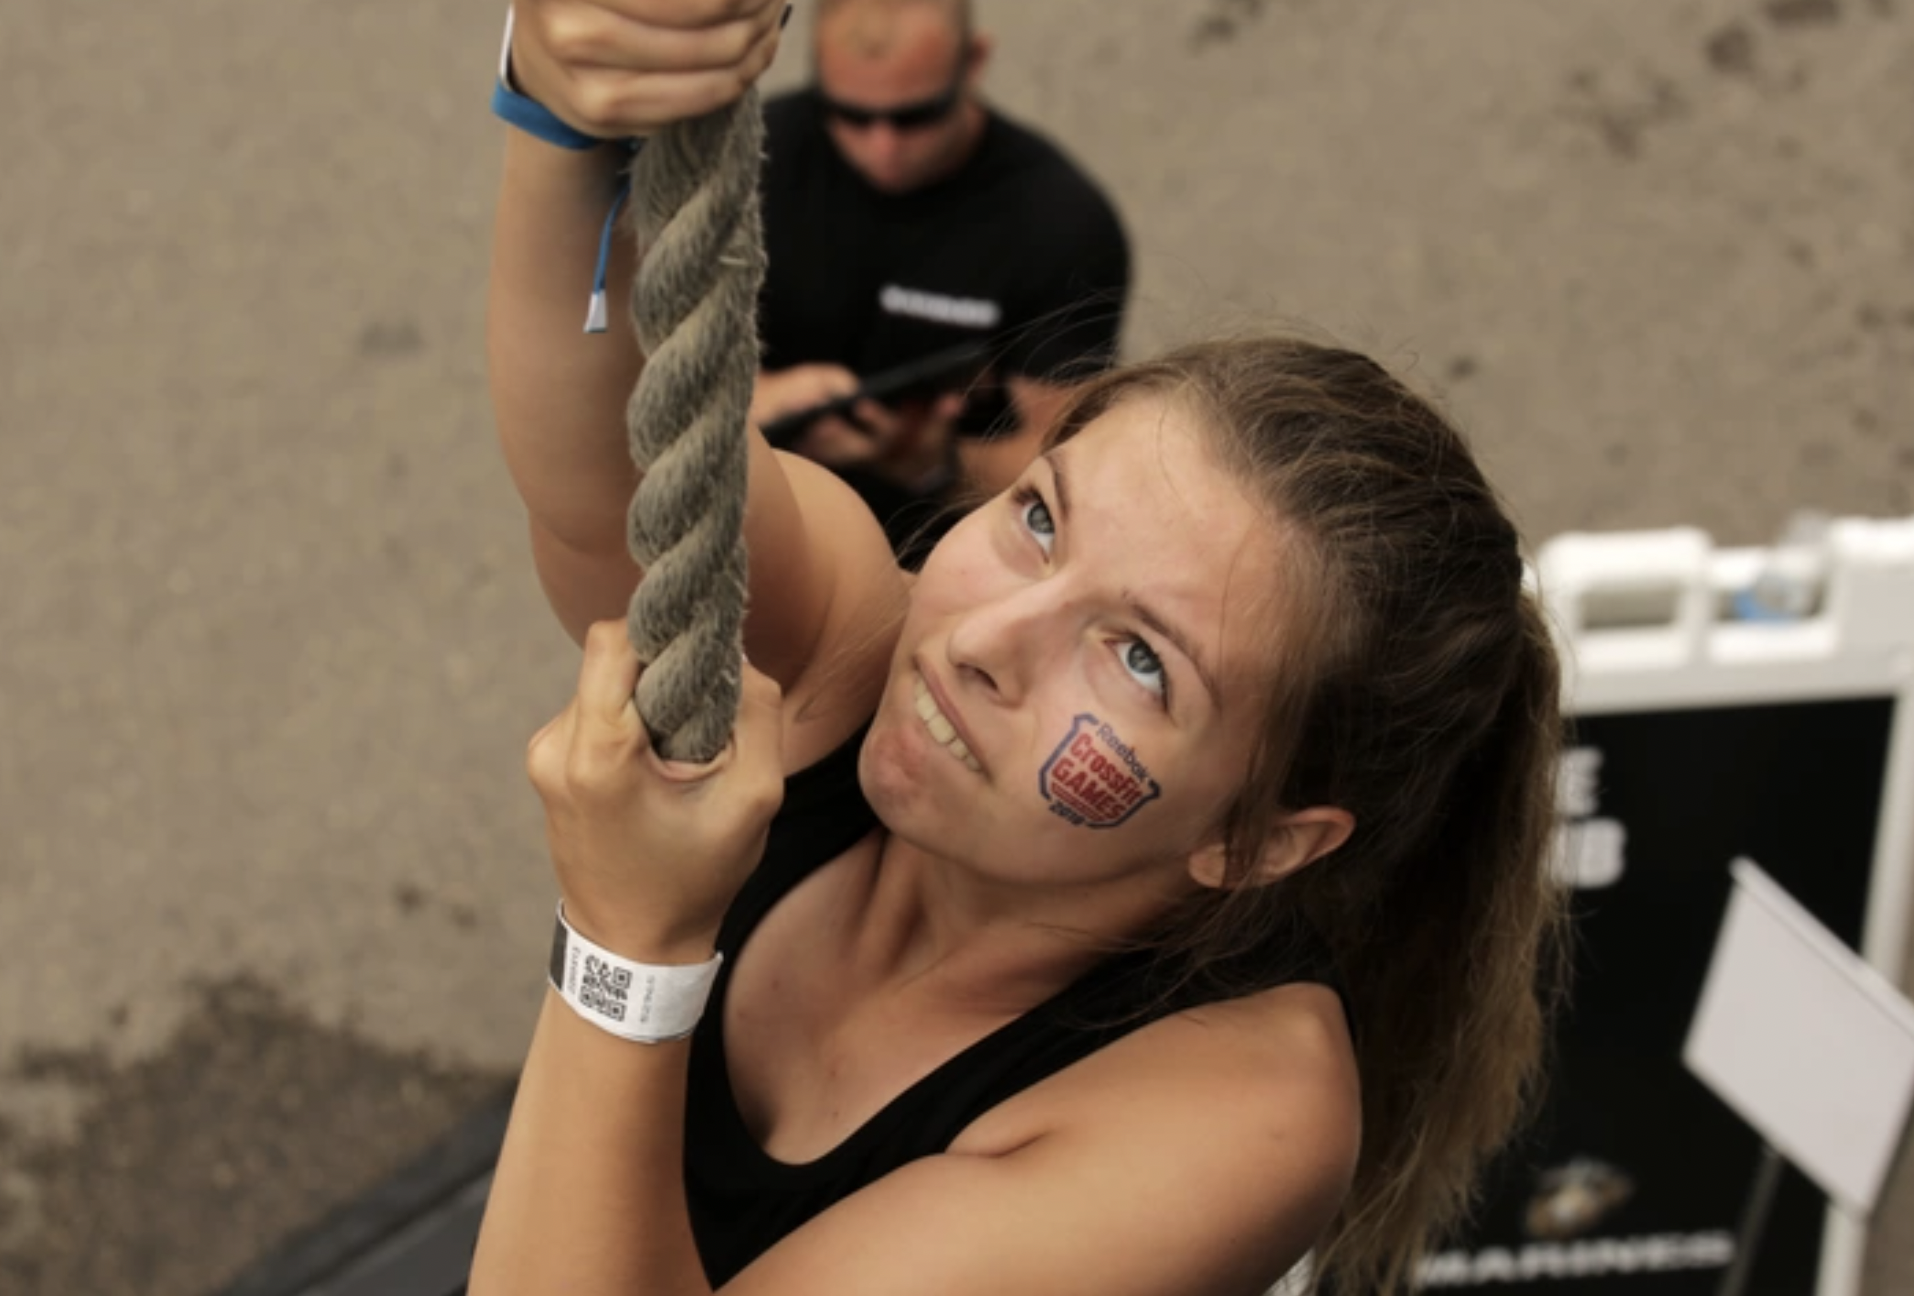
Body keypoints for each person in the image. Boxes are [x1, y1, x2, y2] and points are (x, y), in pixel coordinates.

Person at [477, 4, 1567, 1294]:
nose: (980, 637)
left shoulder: (1235, 1116)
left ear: (1260, 840)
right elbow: (605, 481)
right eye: (1041, 521)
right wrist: (560, 110)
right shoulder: (849, 641)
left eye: (1142, 660)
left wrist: (625, 947)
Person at [748, 0, 1131, 562]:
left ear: (973, 63)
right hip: (757, 530)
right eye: (850, 115)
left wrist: (938, 463)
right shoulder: (753, 161)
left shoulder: (1058, 222)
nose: (883, 147)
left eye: (915, 115)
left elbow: (1064, 464)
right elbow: (633, 364)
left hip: (940, 561)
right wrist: (758, 402)